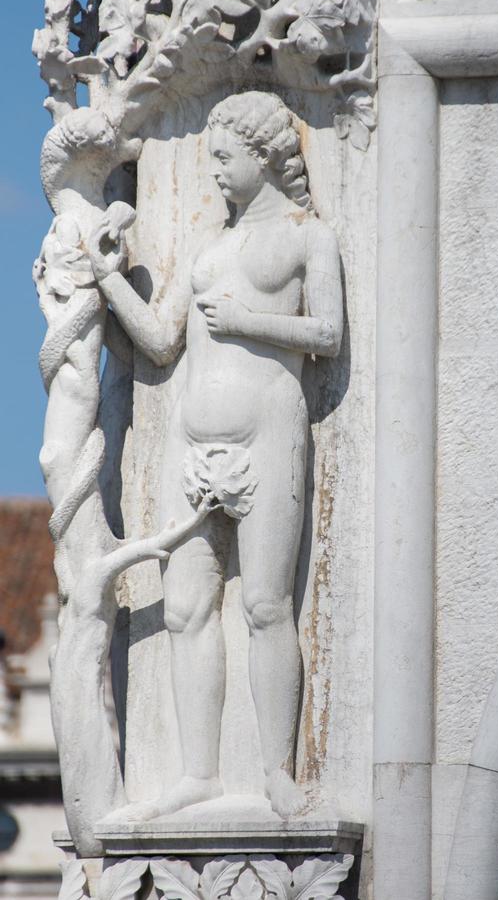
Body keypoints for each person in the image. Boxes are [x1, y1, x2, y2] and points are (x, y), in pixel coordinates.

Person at [88, 91, 343, 819]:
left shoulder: (305, 237)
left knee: (266, 605)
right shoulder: (206, 247)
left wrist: (247, 321)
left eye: (225, 159)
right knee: (185, 610)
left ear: (262, 158)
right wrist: (108, 278)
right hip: (191, 446)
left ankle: (276, 772)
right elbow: (162, 339)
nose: (215, 175)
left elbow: (326, 332)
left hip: (269, 434)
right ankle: (197, 773)